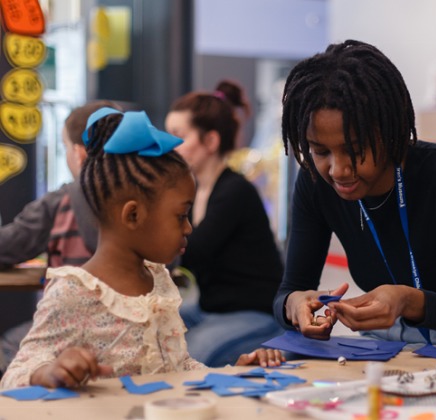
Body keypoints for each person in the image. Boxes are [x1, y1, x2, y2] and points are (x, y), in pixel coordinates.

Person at [0, 108, 283, 389]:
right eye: (181, 216)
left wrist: (233, 373)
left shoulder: (159, 282)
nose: (189, 228)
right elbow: (16, 373)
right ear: (133, 216)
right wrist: (48, 373)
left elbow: (178, 366)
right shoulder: (73, 292)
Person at [273, 40, 436, 344]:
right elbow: (287, 293)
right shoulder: (315, 185)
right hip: (380, 349)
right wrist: (294, 305)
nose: (338, 170)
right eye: (320, 151)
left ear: (388, 130)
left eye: (354, 150)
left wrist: (411, 302)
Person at [165, 80, 284, 367]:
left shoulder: (235, 190)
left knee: (187, 357)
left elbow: (193, 250)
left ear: (211, 141)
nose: (170, 145)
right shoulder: (194, 191)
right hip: (210, 308)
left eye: (179, 136)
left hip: (253, 313)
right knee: (150, 336)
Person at [0, 100, 122, 375]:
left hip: (70, 332)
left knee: (8, 345)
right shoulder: (144, 200)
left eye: (64, 147)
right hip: (129, 331)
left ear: (79, 153)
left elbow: (9, 246)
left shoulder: (60, 202)